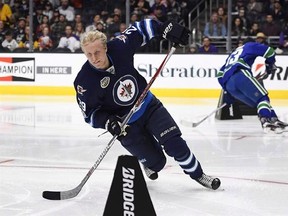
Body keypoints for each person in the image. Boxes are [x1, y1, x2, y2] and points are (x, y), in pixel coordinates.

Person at [73, 18, 221, 190]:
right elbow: (90, 114)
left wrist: (165, 27)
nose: (94, 58)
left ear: (105, 47)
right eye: (89, 55)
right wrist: (108, 122)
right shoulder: (84, 82)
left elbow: (140, 29)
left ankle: (199, 174)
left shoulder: (119, 47)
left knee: (175, 144)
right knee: (157, 163)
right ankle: (148, 161)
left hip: (148, 106)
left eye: (97, 52)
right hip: (125, 124)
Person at [217, 39, 288, 134]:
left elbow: (220, 74)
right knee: (262, 98)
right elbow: (269, 51)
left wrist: (227, 91)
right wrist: (270, 65)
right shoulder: (250, 45)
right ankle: (266, 120)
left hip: (229, 84)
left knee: (258, 103)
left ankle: (273, 119)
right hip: (240, 74)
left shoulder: (233, 54)